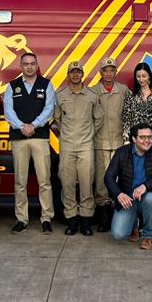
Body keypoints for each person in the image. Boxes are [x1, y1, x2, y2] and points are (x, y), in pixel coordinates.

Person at [2, 51, 55, 234]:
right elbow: (8, 112)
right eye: (26, 63)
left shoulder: (46, 84)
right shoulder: (12, 87)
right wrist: (22, 127)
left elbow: (49, 109)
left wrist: (34, 125)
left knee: (44, 180)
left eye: (33, 63)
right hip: (19, 139)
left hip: (40, 137)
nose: (30, 66)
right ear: (21, 66)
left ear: (37, 65)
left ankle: (46, 218)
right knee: (20, 182)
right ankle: (21, 218)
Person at [52, 60, 102, 236]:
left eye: (78, 72)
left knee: (87, 183)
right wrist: (68, 135)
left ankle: (86, 221)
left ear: (82, 74)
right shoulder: (60, 95)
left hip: (85, 146)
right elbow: (57, 119)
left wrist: (88, 135)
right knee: (67, 183)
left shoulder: (91, 95)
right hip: (67, 146)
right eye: (72, 72)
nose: (75, 75)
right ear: (68, 75)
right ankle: (72, 220)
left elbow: (98, 119)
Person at [104, 123, 152, 250]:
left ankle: (148, 235)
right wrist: (119, 194)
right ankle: (134, 225)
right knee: (118, 234)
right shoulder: (122, 152)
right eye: (142, 137)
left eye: (149, 137)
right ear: (134, 139)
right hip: (128, 199)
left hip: (147, 197)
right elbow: (108, 177)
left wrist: (146, 186)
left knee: (151, 199)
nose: (147, 141)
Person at [92, 58, 130, 232]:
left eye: (112, 70)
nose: (108, 73)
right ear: (100, 72)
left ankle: (118, 215)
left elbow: (131, 114)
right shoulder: (92, 92)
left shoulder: (123, 91)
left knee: (118, 180)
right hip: (99, 143)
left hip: (119, 143)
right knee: (101, 182)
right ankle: (103, 217)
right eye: (105, 70)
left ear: (115, 72)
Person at [122, 62, 152, 149]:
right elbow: (126, 120)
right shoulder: (131, 96)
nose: (141, 79)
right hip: (136, 139)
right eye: (138, 76)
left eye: (144, 76)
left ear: (149, 76)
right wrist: (126, 140)